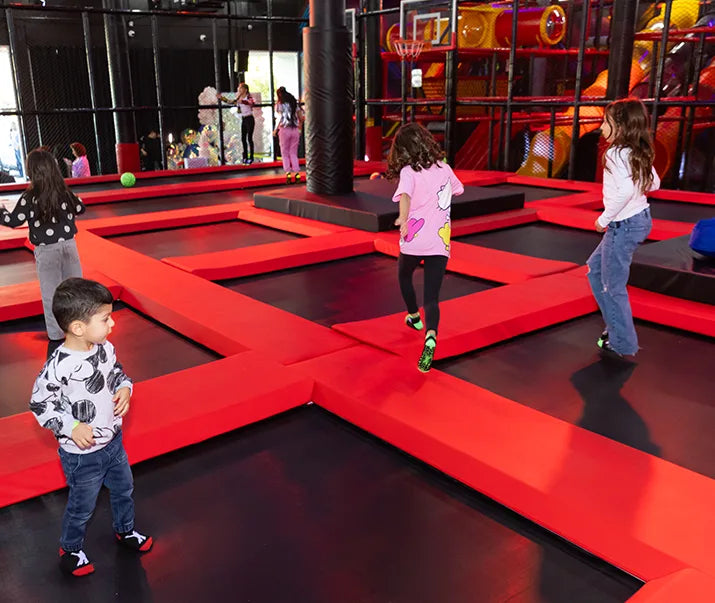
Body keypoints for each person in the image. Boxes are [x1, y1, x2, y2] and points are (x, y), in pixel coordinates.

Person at [30, 277, 153, 577]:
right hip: (82, 454)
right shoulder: (58, 365)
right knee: (82, 507)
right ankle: (70, 549)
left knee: (124, 489)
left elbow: (116, 373)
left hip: (112, 441)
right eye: (106, 318)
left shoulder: (103, 348)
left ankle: (125, 531)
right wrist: (71, 427)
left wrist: (125, 387)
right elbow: (40, 403)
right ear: (78, 327)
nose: (112, 324)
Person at [387, 122, 464, 373]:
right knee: (432, 297)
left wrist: (403, 218)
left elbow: (406, 196)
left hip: (414, 239)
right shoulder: (445, 168)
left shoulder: (409, 172)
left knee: (403, 274)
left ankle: (413, 316)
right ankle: (430, 335)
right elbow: (458, 189)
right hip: (439, 241)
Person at [588, 98, 660, 360]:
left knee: (612, 286)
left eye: (606, 122)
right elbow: (655, 184)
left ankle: (622, 343)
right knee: (595, 270)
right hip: (639, 219)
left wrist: (603, 220)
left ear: (620, 127)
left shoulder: (616, 154)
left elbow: (627, 190)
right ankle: (616, 326)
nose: (601, 127)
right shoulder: (634, 151)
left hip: (623, 225)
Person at [0, 149, 85, 356]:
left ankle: (56, 335)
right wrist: (78, 201)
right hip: (69, 246)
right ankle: (81, 328)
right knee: (75, 289)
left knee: (51, 293)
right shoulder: (63, 191)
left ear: (31, 171)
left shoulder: (30, 196)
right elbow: (80, 209)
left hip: (46, 251)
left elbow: (13, 220)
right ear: (54, 169)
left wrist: (1, 211)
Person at [272, 86, 304, 183]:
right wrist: (300, 128)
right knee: (293, 153)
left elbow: (279, 118)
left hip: (284, 129)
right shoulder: (294, 104)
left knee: (284, 153)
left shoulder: (279, 105)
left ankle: (288, 174)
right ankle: (297, 174)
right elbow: (301, 118)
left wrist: (275, 130)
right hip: (294, 129)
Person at [219, 83, 256, 164]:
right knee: (243, 138)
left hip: (249, 118)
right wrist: (222, 98)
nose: (239, 90)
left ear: (245, 90)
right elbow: (231, 102)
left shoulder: (249, 97)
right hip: (244, 119)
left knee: (249, 138)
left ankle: (251, 157)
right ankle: (245, 156)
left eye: (240, 88)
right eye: (238, 88)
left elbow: (252, 103)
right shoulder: (238, 98)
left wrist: (242, 101)